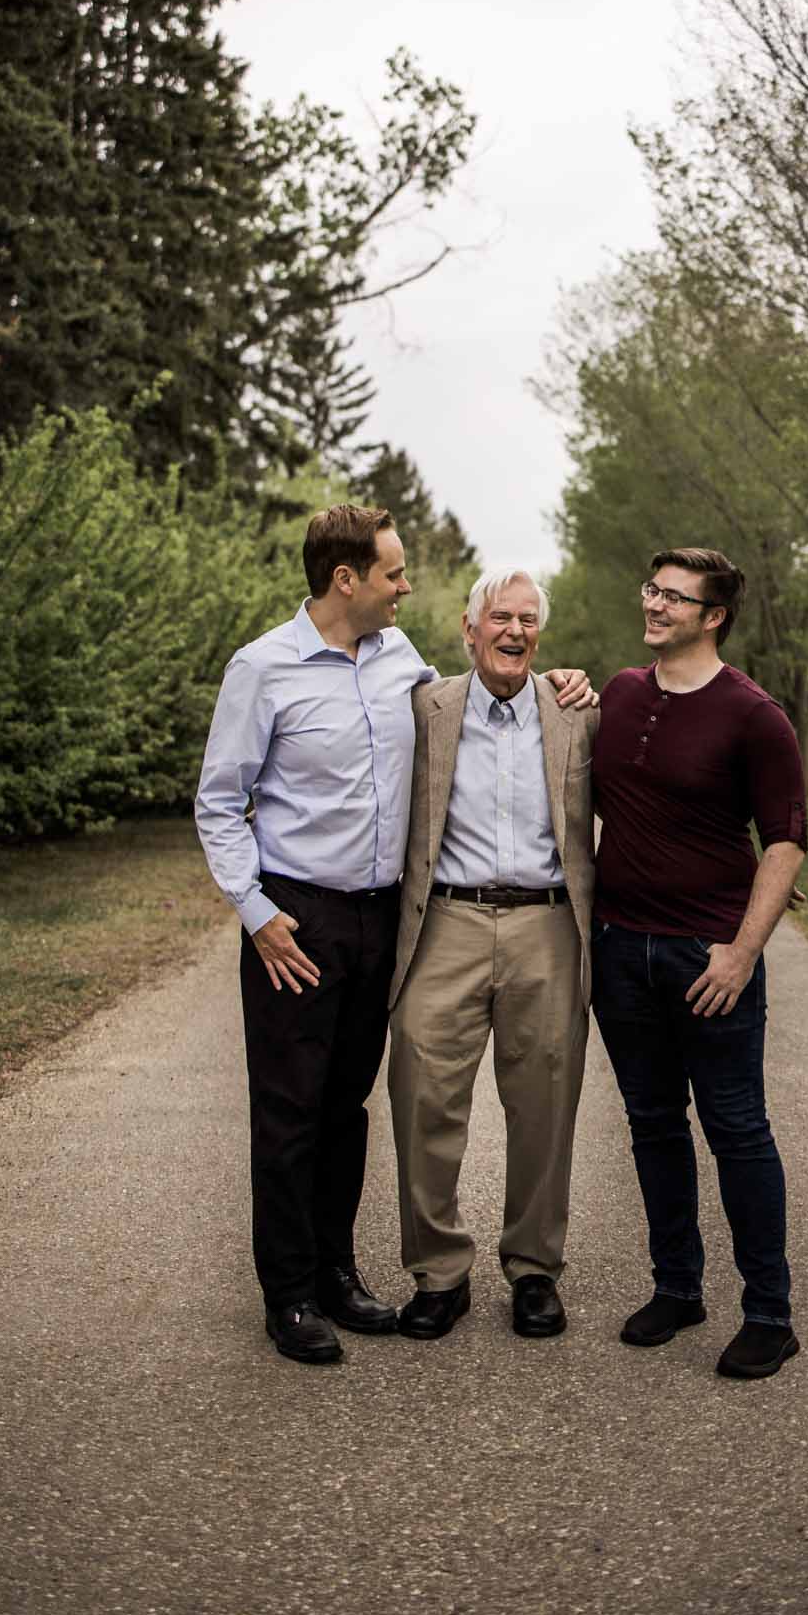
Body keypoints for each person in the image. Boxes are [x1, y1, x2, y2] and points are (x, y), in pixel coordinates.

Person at [194, 506, 591, 1365]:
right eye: (394, 572)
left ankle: (336, 1272)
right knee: (290, 1109)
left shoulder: (401, 664)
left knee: (347, 1108)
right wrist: (257, 915)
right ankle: (290, 1294)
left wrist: (572, 685)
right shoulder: (262, 668)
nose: (405, 584)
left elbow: (482, 714)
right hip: (295, 916)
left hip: (383, 917)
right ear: (348, 579)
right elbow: (219, 802)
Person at [590, 547, 807, 1379]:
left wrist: (741, 953)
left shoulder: (754, 716)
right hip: (620, 950)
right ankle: (677, 1288)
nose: (654, 606)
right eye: (650, 589)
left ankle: (769, 1313)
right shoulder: (620, 692)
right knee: (651, 1126)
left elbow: (785, 841)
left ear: (712, 616)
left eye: (674, 598)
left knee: (737, 1132)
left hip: (706, 956)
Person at [387, 569, 597, 1342]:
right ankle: (438, 1274)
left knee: (545, 1099)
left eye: (527, 620)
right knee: (420, 1088)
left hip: (548, 924)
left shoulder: (578, 712)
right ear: (469, 630)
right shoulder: (423, 709)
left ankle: (534, 1269)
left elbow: (652, 798)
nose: (514, 631)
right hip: (446, 919)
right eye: (499, 618)